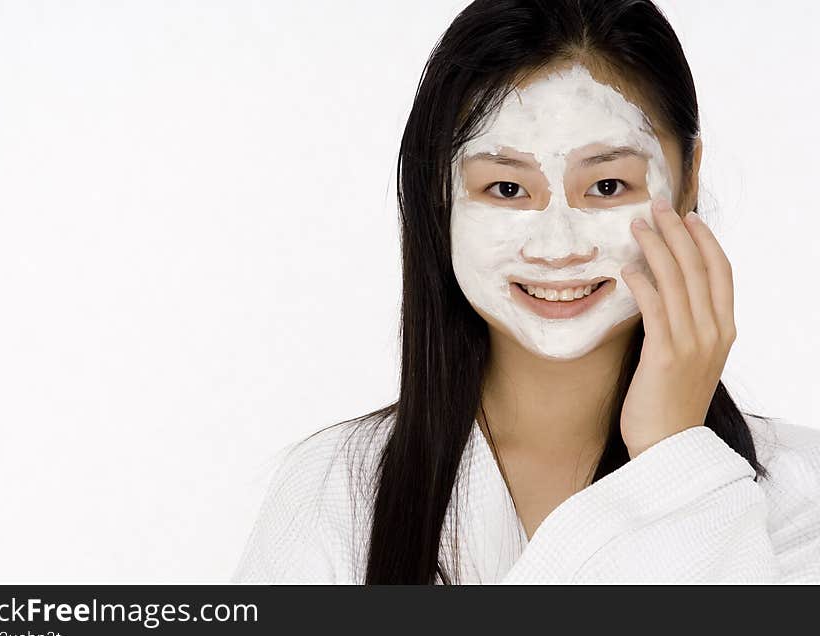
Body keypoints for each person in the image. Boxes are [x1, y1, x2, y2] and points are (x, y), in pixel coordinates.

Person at [232, 0, 820, 584]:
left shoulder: (802, 489)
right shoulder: (334, 491)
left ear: (689, 180)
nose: (556, 246)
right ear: (438, 195)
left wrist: (675, 460)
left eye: (608, 185)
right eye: (508, 188)